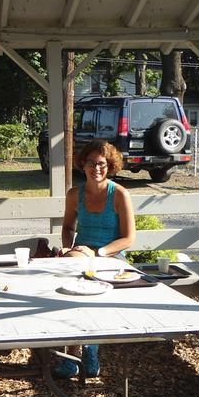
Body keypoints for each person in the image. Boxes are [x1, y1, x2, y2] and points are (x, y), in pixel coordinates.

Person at [55, 139, 136, 378]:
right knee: (69, 283)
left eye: (101, 163)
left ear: (109, 165)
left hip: (111, 254)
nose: (96, 168)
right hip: (82, 251)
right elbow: (68, 227)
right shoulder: (74, 195)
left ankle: (90, 348)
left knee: (94, 287)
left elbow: (128, 238)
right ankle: (72, 354)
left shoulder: (119, 194)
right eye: (91, 163)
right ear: (83, 165)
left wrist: (99, 253)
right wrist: (67, 248)